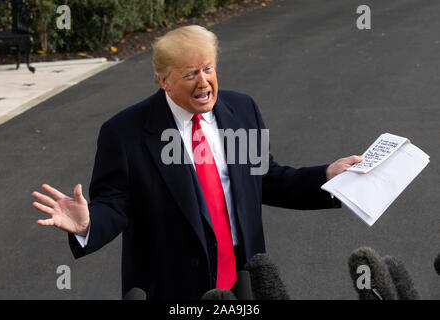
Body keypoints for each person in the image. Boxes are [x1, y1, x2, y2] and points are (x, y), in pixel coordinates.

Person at [32, 25, 362, 300]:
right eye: (190, 73)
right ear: (164, 80)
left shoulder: (242, 110)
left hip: (243, 280)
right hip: (172, 288)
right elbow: (116, 204)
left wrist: (328, 176)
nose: (203, 82)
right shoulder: (124, 132)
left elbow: (267, 179)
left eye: (208, 68)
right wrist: (89, 224)